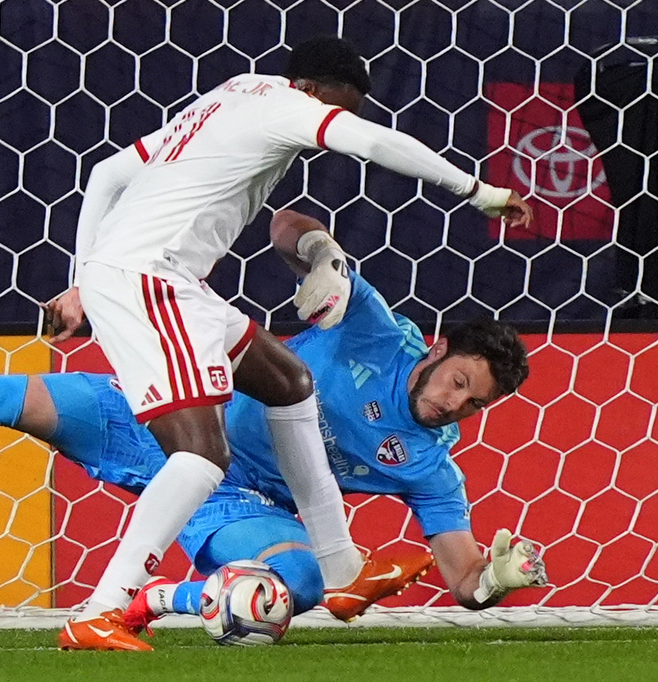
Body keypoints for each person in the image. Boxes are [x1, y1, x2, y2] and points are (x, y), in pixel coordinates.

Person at [0, 211, 547, 649]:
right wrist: (319, 251)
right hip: (166, 407)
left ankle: (157, 600)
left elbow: (460, 578)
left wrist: (491, 583)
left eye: (473, 407)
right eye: (457, 385)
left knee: (301, 587)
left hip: (236, 501)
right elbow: (283, 222)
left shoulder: (431, 468)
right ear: (440, 349)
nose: (454, 408)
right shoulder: (371, 325)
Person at [41, 34, 533, 649]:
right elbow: (379, 144)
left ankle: (343, 569)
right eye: (341, 107)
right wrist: (479, 192)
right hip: (148, 278)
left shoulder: (229, 96)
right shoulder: (288, 107)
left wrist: (80, 279)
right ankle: (100, 608)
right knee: (199, 458)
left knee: (289, 382)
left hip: (172, 282)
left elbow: (107, 172)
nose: (340, 123)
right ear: (314, 89)